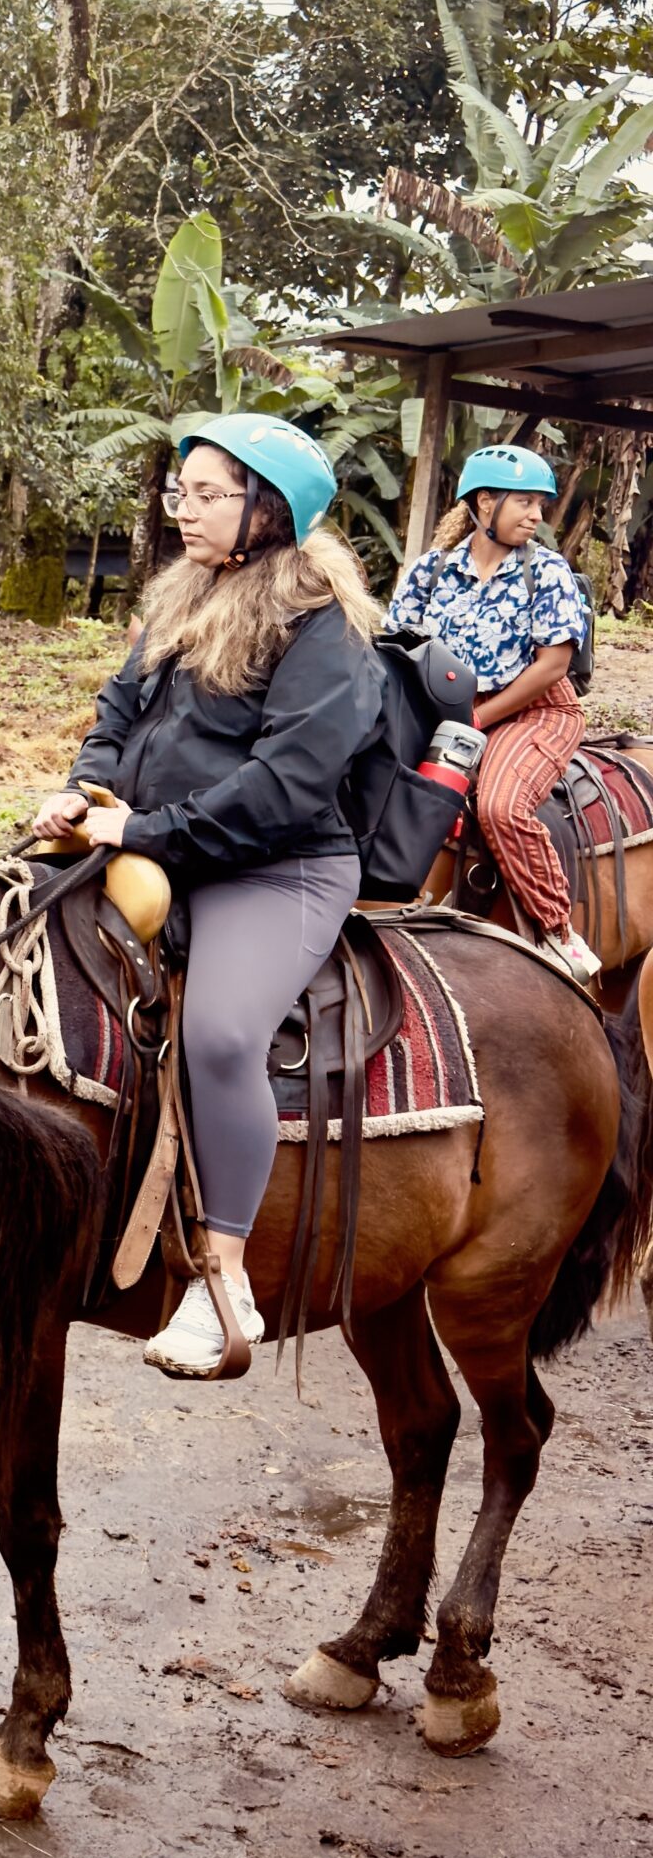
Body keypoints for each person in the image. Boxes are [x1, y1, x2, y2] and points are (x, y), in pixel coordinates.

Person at [32, 415, 385, 1381]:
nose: (182, 510)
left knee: (223, 1034)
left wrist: (139, 831)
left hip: (274, 864)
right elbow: (117, 710)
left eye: (206, 493)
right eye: (178, 492)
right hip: (151, 839)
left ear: (267, 509)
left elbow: (285, 787)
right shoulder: (183, 592)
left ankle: (221, 1277)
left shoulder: (323, 627)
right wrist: (85, 788)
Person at [385, 446, 597, 979]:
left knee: (501, 808)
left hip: (534, 712)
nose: (536, 516)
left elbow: (554, 665)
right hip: (447, 712)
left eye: (538, 504)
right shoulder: (430, 572)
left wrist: (478, 720)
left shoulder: (546, 571)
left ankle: (557, 932)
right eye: (524, 502)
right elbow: (394, 645)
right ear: (485, 502)